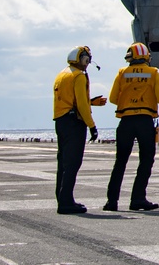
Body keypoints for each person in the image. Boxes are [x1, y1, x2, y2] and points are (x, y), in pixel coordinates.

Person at [103, 42, 159, 212]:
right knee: (146, 160)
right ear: (146, 56)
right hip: (145, 121)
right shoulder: (153, 73)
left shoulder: (122, 73)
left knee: (120, 162)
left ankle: (112, 202)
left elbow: (113, 99)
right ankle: (138, 198)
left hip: (126, 121)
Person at [52, 45, 106, 214]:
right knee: (73, 163)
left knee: (63, 163)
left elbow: (74, 100)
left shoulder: (62, 74)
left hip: (61, 121)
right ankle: (67, 201)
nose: (88, 63)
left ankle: (62, 197)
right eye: (87, 60)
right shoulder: (79, 76)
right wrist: (92, 126)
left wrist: (92, 102)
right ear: (83, 59)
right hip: (74, 123)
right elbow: (81, 105)